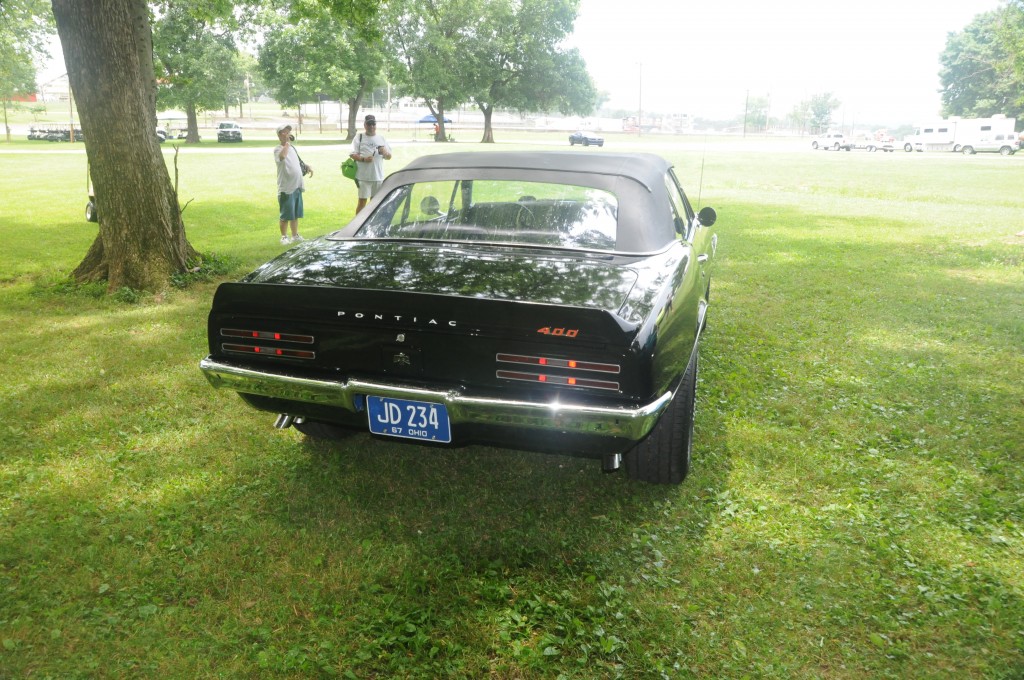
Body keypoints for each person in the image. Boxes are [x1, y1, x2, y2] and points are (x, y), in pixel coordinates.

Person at [274, 123, 311, 244]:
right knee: (285, 215)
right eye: (284, 132)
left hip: (297, 185)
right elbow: (282, 157)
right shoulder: (278, 149)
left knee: (295, 214)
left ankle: (295, 235)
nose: (287, 134)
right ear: (279, 135)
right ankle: (284, 237)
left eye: (288, 132)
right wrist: (287, 144)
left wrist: (307, 166)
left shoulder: (292, 148)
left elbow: (297, 162)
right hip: (286, 188)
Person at [349, 114, 392, 213]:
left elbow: (389, 157)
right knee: (362, 202)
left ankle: (371, 224)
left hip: (378, 177)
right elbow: (352, 154)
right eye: (369, 124)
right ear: (364, 125)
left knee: (375, 203)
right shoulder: (359, 137)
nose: (371, 126)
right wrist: (364, 159)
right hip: (364, 177)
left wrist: (385, 152)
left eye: (373, 124)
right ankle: (358, 226)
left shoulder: (381, 138)